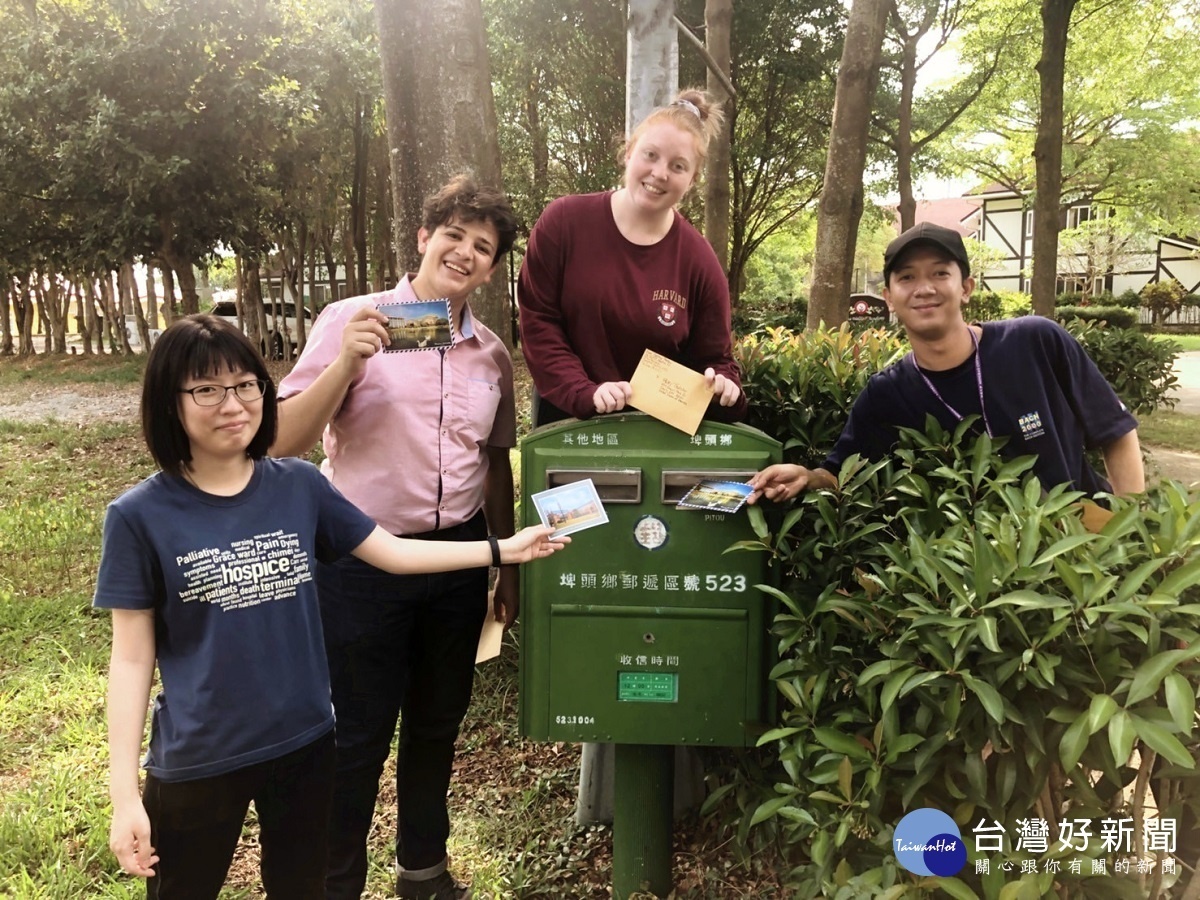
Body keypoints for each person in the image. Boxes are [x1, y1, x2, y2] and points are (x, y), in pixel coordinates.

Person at [97, 315, 565, 900]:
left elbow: (391, 553)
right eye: (207, 390)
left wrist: (504, 550)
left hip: (306, 744)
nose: (233, 404)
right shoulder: (139, 516)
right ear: (170, 402)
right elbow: (132, 660)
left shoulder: (298, 485)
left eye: (246, 385)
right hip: (199, 758)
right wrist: (124, 797)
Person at [271, 174, 521, 900]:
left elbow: (494, 462)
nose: (465, 253)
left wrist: (507, 567)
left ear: (493, 266)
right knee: (355, 735)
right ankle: (334, 883)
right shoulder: (352, 320)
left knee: (436, 724)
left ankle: (424, 871)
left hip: (456, 563)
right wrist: (348, 361)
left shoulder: (491, 354)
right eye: (454, 234)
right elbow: (282, 441)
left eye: (483, 246)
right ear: (423, 237)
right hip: (360, 563)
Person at [749, 222, 1145, 504]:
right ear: (889, 297)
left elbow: (1115, 432)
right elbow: (839, 473)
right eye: (907, 277)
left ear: (966, 287)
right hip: (972, 588)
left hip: (1082, 548)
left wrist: (1129, 533)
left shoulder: (1036, 341)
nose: (924, 288)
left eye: (940, 273)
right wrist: (807, 476)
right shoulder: (887, 394)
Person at [518, 87, 746, 427]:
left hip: (656, 438)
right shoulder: (563, 222)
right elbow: (539, 320)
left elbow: (715, 359)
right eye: (650, 155)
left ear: (692, 178)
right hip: (568, 422)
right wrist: (583, 390)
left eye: (678, 165)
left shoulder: (699, 261)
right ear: (629, 152)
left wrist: (723, 384)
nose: (660, 173)